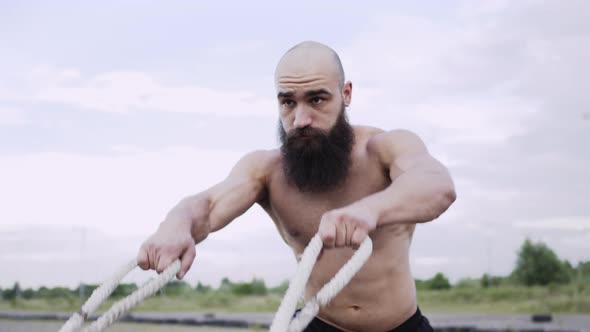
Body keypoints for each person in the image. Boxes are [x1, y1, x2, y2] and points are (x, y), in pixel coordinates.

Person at [137, 41, 456, 332]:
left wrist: (370, 210)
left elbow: (436, 186)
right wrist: (175, 224)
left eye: (317, 99)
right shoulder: (266, 170)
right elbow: (207, 206)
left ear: (346, 94)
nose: (301, 119)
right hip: (318, 323)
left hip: (401, 326)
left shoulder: (386, 147)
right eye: (288, 103)